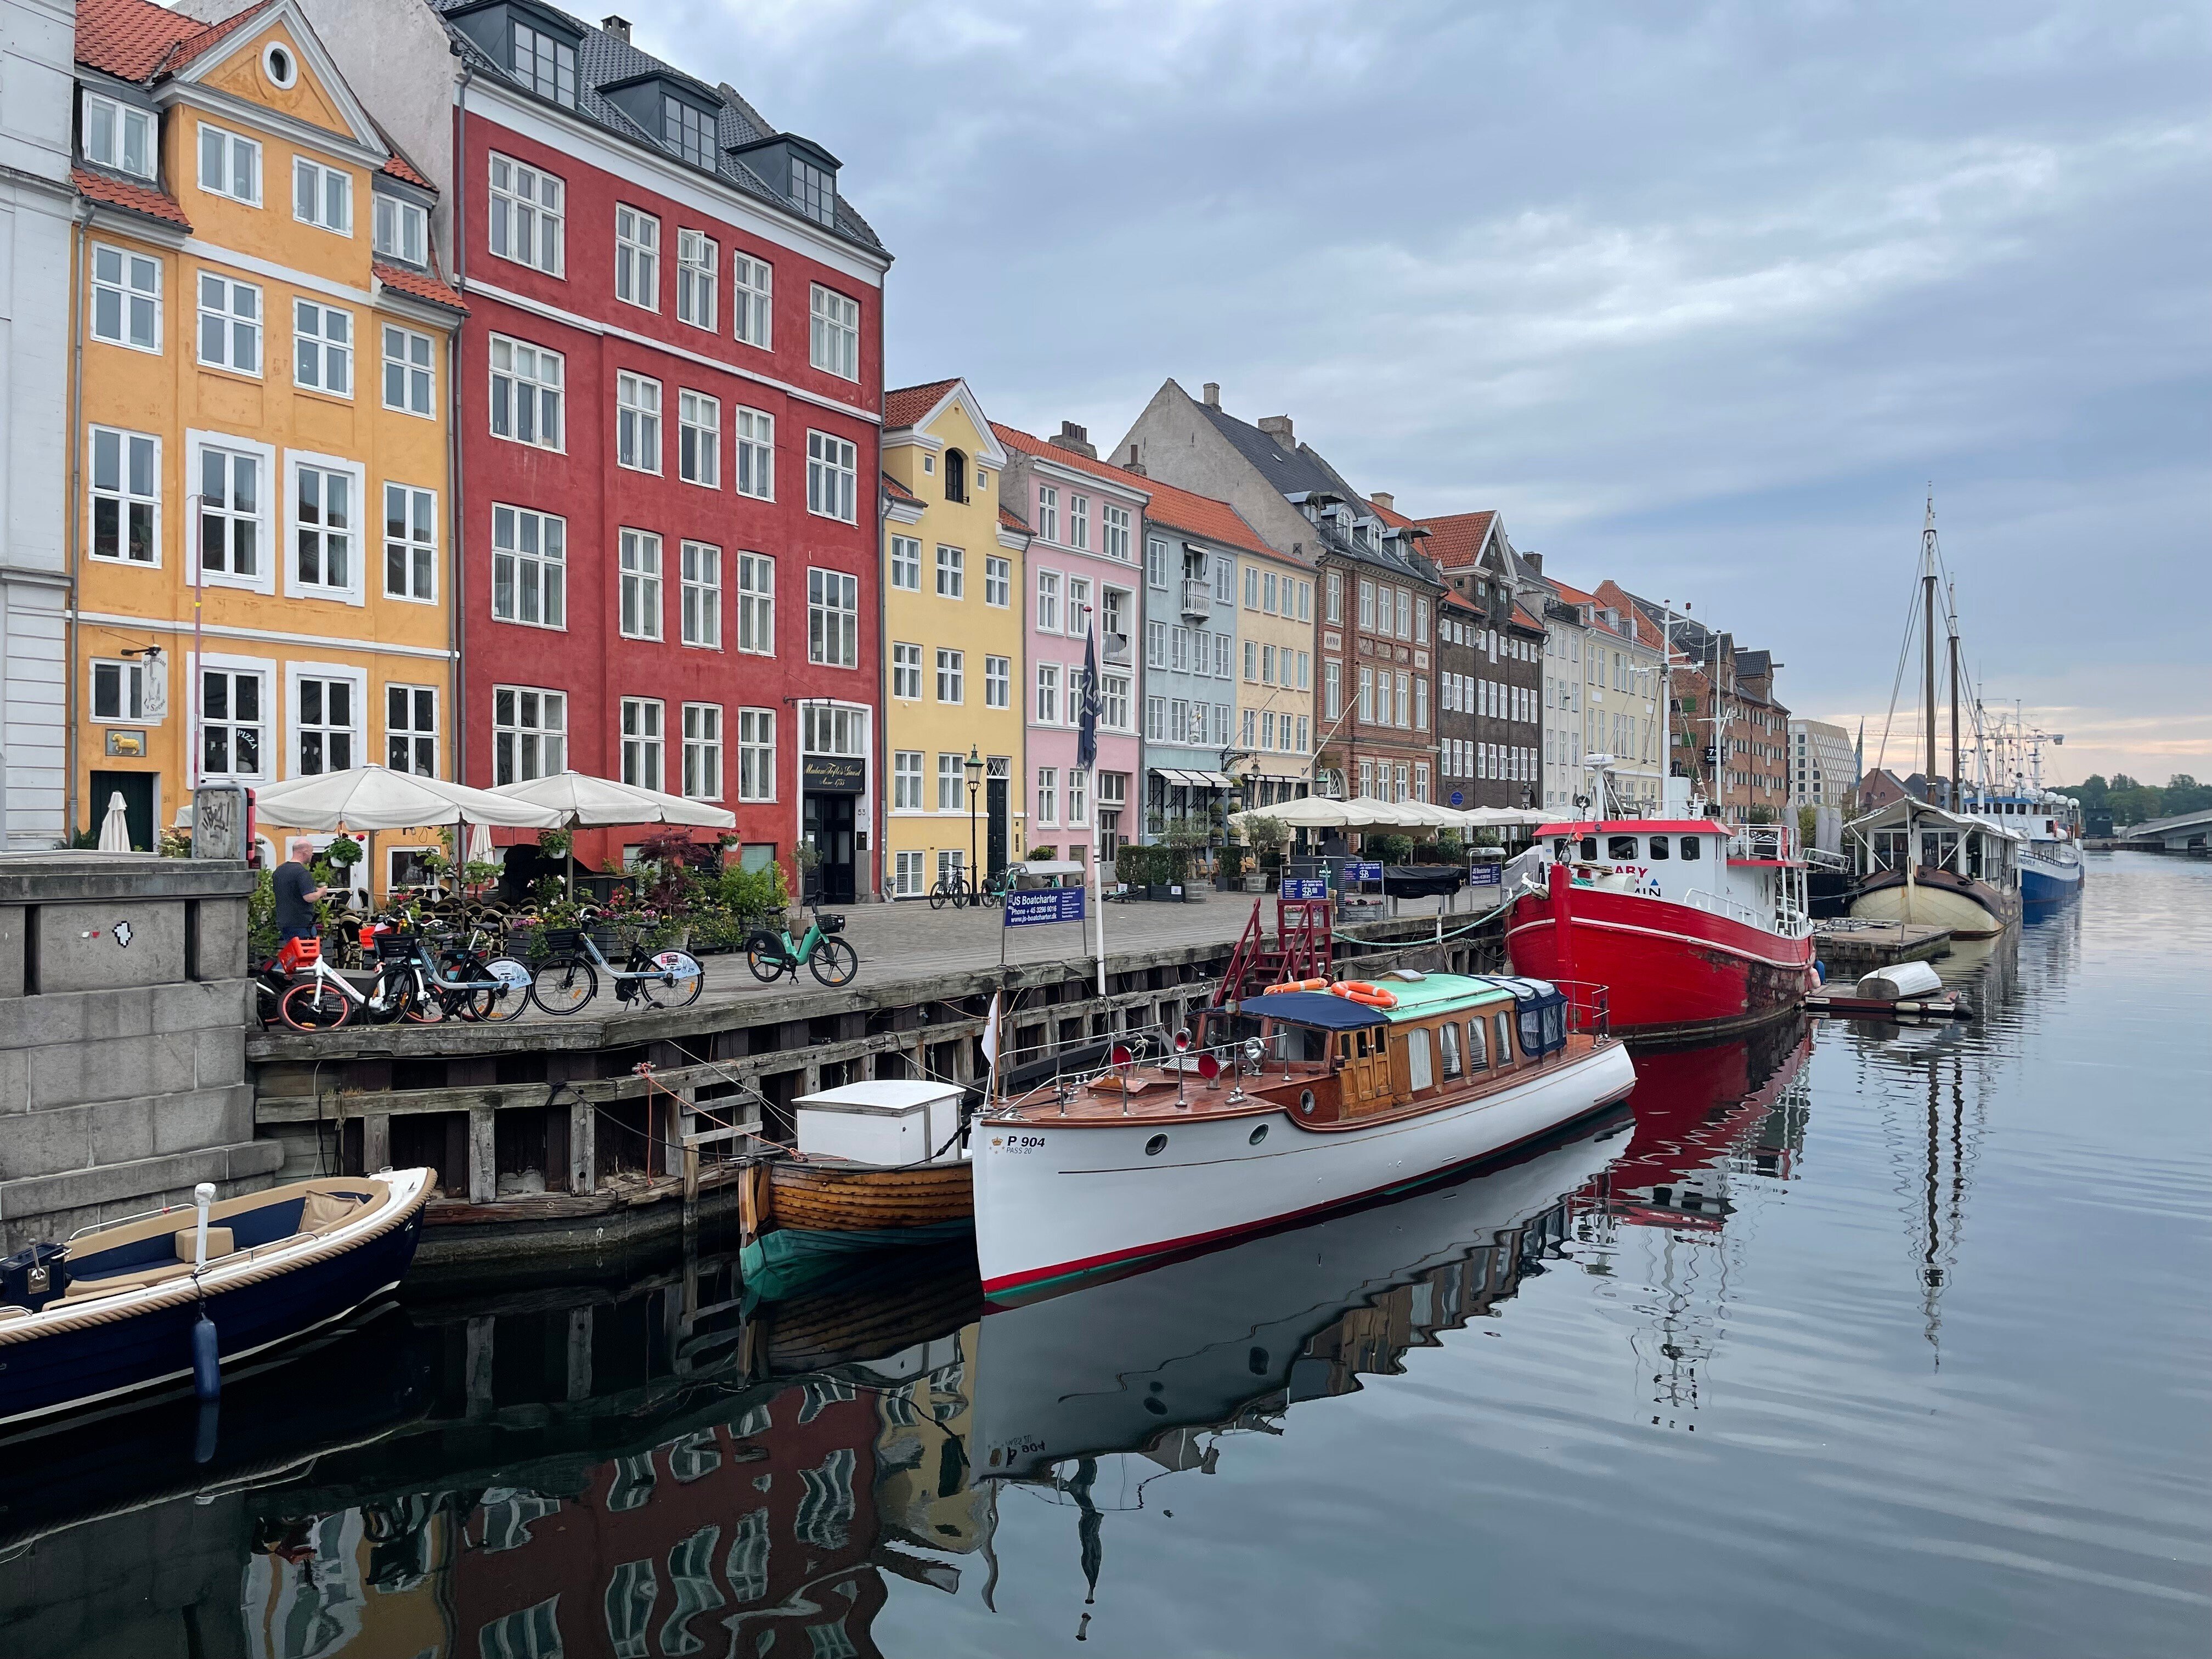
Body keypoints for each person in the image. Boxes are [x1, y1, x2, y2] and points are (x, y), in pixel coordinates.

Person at [273, 838, 328, 946]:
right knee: (306, 957)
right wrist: (321, 892)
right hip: (301, 924)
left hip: (284, 922)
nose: (312, 855)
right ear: (305, 851)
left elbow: (291, 892)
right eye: (311, 852)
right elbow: (309, 897)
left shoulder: (279, 871)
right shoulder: (302, 873)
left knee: (293, 955)